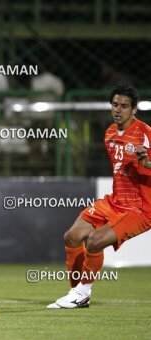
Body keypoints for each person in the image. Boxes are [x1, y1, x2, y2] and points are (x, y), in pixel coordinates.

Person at [48, 85, 151, 309]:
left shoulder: (146, 134)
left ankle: (83, 292)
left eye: (124, 106)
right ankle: (76, 293)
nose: (118, 110)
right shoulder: (110, 133)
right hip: (114, 201)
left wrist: (147, 164)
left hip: (139, 209)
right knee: (72, 236)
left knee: (94, 242)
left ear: (134, 110)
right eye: (115, 105)